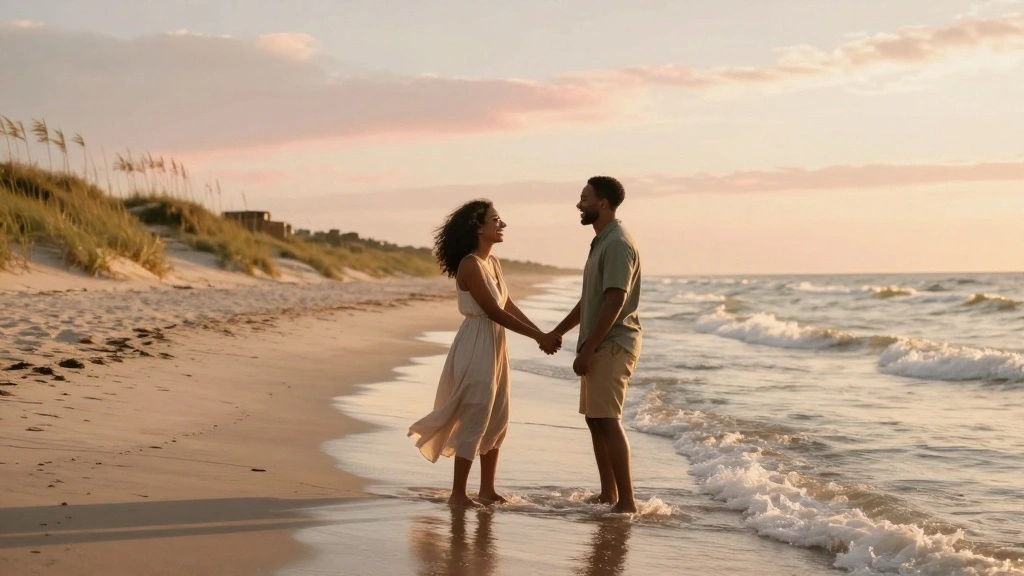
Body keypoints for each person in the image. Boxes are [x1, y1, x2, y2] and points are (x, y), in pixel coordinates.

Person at [409, 199, 562, 507]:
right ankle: (458, 494)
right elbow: (491, 310)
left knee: (497, 414)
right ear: (479, 227)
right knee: (475, 411)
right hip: (476, 341)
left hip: (496, 343)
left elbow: (507, 304)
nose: (501, 225)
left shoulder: (492, 263)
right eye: (495, 219)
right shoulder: (470, 264)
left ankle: (487, 489)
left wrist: (541, 334)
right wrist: (537, 337)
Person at [551, 176, 643, 514]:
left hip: (613, 343)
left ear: (603, 203)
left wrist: (589, 347)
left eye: (584, 198)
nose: (579, 204)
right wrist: (558, 332)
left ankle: (627, 502)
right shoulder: (600, 242)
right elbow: (588, 302)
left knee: (608, 419)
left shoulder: (617, 243)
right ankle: (608, 494)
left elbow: (615, 299)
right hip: (598, 342)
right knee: (595, 418)